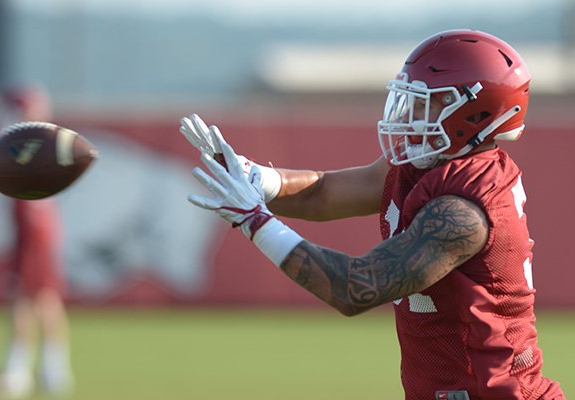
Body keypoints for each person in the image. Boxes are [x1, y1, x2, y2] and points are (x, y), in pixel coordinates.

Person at [179, 29, 565, 399]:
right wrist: (255, 178)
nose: (410, 111)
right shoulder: (429, 163)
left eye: (427, 101)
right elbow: (323, 193)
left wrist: (255, 220)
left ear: (477, 114)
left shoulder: (464, 212)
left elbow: (355, 287)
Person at [0, 84, 74, 399]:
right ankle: (45, 369)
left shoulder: (31, 142)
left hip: (34, 226)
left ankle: (25, 369)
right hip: (30, 225)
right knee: (38, 297)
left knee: (31, 297)